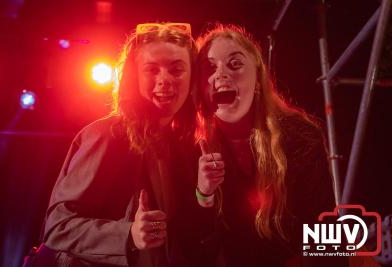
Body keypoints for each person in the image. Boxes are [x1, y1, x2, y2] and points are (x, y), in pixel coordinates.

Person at [33, 22, 205, 267]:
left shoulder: (181, 144)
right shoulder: (107, 135)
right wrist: (127, 235)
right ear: (133, 76)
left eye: (177, 70)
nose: (164, 79)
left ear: (192, 78)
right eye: (152, 69)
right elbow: (58, 227)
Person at [194, 24, 347, 266]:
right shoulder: (190, 146)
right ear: (200, 87)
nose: (220, 75)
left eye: (234, 64)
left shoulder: (300, 137)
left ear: (257, 77)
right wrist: (204, 194)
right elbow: (194, 246)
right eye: (209, 68)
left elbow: (325, 231)